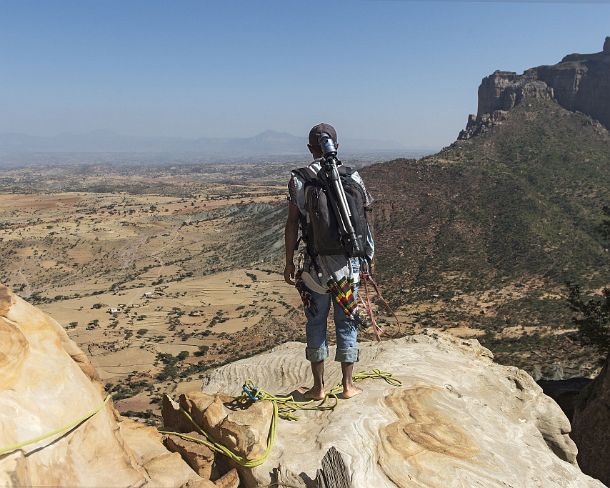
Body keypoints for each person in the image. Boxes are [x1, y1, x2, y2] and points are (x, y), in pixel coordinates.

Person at [284, 123, 375, 400]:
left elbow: (291, 224)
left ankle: (318, 388)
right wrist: (367, 259)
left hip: (315, 268)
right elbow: (364, 221)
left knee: (316, 323)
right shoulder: (353, 176)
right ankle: (348, 387)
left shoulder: (299, 180)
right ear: (337, 145)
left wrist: (289, 262)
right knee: (346, 322)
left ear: (310, 148)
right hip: (348, 267)